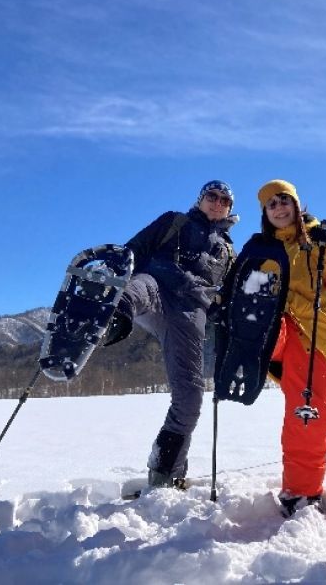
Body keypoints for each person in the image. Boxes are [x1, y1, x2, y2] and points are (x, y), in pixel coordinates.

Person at [105, 180, 237, 488]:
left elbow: (225, 298)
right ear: (200, 198)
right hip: (157, 288)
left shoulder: (228, 252)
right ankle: (111, 316)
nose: (217, 202)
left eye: (224, 200)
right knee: (141, 286)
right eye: (212, 196)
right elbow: (135, 249)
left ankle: (165, 472)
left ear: (230, 209)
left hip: (189, 315)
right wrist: (113, 272)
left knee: (190, 397)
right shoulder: (174, 221)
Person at [253, 179, 326, 517]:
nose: (279, 208)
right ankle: (243, 366)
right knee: (301, 406)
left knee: (307, 412)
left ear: (297, 204)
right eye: (272, 204)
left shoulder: (318, 238)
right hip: (276, 330)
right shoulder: (262, 249)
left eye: (284, 200)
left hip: (314, 333)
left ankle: (302, 491)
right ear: (265, 213)